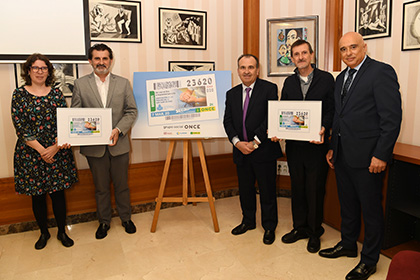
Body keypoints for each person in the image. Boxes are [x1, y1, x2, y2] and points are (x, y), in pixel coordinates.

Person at [319, 32, 402, 280]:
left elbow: (391, 119)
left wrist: (381, 155)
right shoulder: (342, 77)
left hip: (369, 159)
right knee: (348, 205)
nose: (348, 53)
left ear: (364, 47)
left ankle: (369, 260)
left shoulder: (381, 72)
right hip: (343, 155)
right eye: (343, 49)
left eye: (353, 47)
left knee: (371, 209)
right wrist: (333, 146)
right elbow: (339, 116)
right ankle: (347, 244)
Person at [272, 40, 334, 253]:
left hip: (317, 146)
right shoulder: (288, 82)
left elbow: (331, 110)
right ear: (292, 57)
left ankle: (315, 232)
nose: (300, 57)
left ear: (312, 54)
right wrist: (277, 129)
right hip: (295, 146)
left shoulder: (327, 79)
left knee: (315, 189)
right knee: (297, 187)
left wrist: (325, 127)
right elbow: (284, 112)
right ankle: (299, 228)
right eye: (296, 54)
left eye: (304, 53)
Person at [11, 53, 78, 250]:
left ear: (49, 71)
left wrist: (55, 148)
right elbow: (21, 127)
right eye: (36, 68)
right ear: (28, 71)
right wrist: (42, 151)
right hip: (31, 153)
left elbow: (64, 123)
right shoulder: (19, 94)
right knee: (37, 197)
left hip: (56, 151)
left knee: (58, 195)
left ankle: (61, 232)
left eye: (44, 68)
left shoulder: (56, 94)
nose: (40, 71)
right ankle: (43, 232)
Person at [72, 43, 138, 239]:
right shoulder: (80, 84)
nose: (101, 62)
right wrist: (89, 130)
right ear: (90, 61)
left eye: (105, 58)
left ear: (111, 60)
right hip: (94, 148)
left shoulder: (123, 83)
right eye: (97, 58)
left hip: (119, 145)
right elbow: (76, 114)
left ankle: (126, 218)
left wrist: (118, 130)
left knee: (122, 185)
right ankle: (104, 221)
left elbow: (131, 111)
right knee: (100, 187)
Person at [223, 54, 282, 245]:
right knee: (245, 189)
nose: (246, 71)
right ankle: (248, 221)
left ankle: (269, 227)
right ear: (238, 70)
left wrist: (255, 142)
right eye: (242, 67)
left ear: (258, 70)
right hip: (241, 151)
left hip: (263, 151)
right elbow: (228, 121)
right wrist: (237, 142)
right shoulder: (231, 94)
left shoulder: (269, 89)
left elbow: (270, 117)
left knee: (267, 191)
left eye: (250, 67)